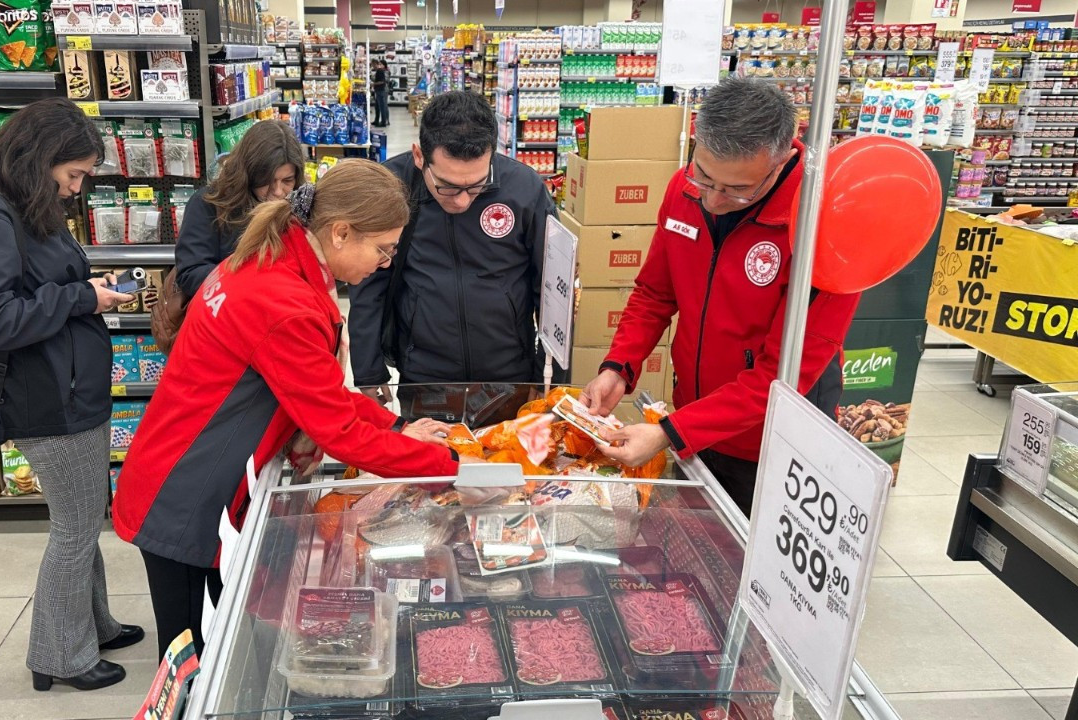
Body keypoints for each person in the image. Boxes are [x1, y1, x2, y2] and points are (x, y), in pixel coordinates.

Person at [112, 160, 468, 658]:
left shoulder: (270, 261)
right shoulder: (283, 302)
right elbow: (339, 431)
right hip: (189, 498)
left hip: (182, 469)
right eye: (384, 248)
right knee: (195, 660)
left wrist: (397, 425)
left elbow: (315, 391)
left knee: (215, 642)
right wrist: (455, 468)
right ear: (341, 232)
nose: (387, 262)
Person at [581, 77, 861, 515]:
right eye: (704, 175)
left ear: (783, 159)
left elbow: (779, 380)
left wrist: (671, 433)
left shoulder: (824, 230)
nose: (711, 200)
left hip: (775, 440)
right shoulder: (684, 191)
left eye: (736, 189)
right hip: (696, 417)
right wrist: (619, 367)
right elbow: (655, 292)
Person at [0, 98, 144, 692]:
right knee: (74, 529)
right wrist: (86, 299)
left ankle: (93, 625)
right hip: (44, 398)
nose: (76, 189)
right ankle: (60, 654)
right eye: (73, 174)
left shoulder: (26, 208)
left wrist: (90, 286)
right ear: (37, 158)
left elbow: (41, 287)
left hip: (70, 388)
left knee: (84, 516)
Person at [349, 91, 557, 405]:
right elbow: (368, 283)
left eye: (476, 185)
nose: (462, 200)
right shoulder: (394, 187)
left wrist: (549, 377)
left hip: (510, 376)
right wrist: (368, 372)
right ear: (419, 156)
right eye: (447, 186)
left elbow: (553, 290)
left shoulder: (524, 190)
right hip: (423, 379)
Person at [174, 120, 305, 299]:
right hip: (226, 315)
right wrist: (253, 286)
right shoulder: (209, 204)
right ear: (249, 173)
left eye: (287, 181)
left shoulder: (299, 205)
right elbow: (191, 274)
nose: (278, 192)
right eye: (267, 180)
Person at [372, 59, 391, 127]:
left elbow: (384, 81)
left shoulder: (385, 71)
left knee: (383, 106)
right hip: (380, 89)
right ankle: (378, 120)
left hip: (383, 89)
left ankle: (385, 121)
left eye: (381, 64)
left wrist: (374, 83)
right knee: (378, 106)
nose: (380, 65)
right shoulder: (380, 71)